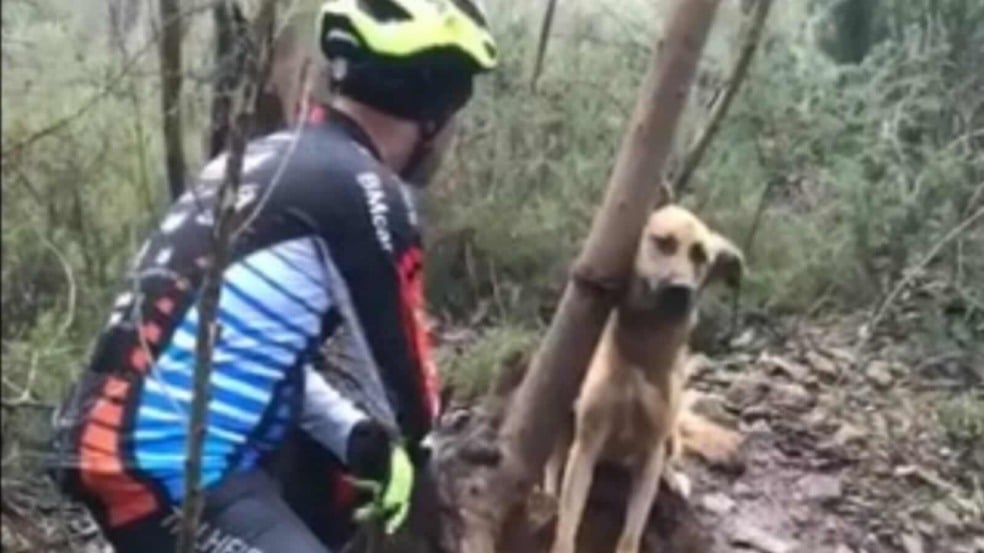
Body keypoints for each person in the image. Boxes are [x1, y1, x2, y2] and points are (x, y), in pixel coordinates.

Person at [47, 1, 498, 551]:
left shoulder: (274, 160)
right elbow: (412, 403)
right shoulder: (367, 191)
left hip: (119, 442)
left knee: (330, 487)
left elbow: (243, 350)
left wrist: (353, 437)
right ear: (437, 110)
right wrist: (429, 463)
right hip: (168, 466)